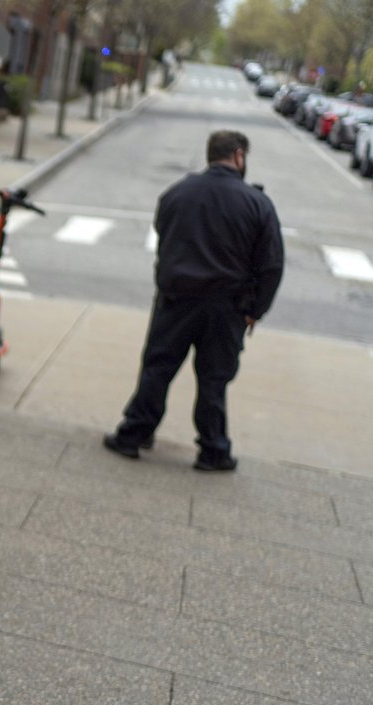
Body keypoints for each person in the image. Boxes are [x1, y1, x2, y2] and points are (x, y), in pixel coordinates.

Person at [103, 130, 284, 472]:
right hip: (226, 307)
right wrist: (254, 311)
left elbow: (163, 235)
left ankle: (134, 435)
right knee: (214, 380)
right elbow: (271, 265)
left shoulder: (178, 193)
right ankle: (213, 450)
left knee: (158, 369)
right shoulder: (257, 204)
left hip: (177, 299)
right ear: (239, 155)